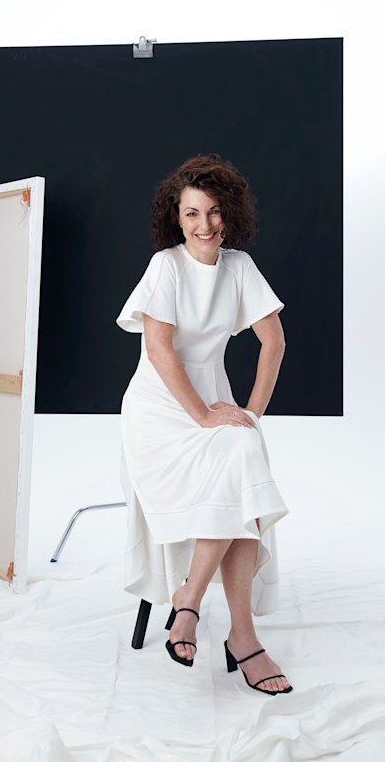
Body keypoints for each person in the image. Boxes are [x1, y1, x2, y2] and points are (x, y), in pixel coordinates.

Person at [116, 153, 292, 695]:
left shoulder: (239, 267)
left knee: (244, 451)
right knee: (241, 468)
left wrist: (251, 415)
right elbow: (159, 349)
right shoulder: (165, 266)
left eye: (214, 211)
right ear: (176, 218)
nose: (205, 224)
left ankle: (191, 600)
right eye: (192, 213)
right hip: (159, 410)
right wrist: (202, 415)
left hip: (214, 400)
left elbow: (273, 343)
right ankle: (243, 637)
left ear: (229, 214)